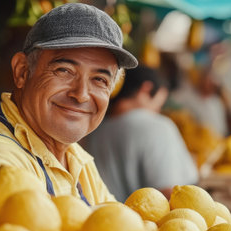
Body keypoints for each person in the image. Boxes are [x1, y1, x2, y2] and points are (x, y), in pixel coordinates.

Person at [0, 3, 139, 205]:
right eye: (64, 71)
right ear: (22, 71)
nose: (81, 95)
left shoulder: (75, 157)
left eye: (100, 80)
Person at [83, 66, 199, 202]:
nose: (158, 111)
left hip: (103, 218)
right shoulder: (158, 126)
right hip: (145, 221)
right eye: (159, 104)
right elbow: (171, 194)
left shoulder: (92, 129)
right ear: (146, 89)